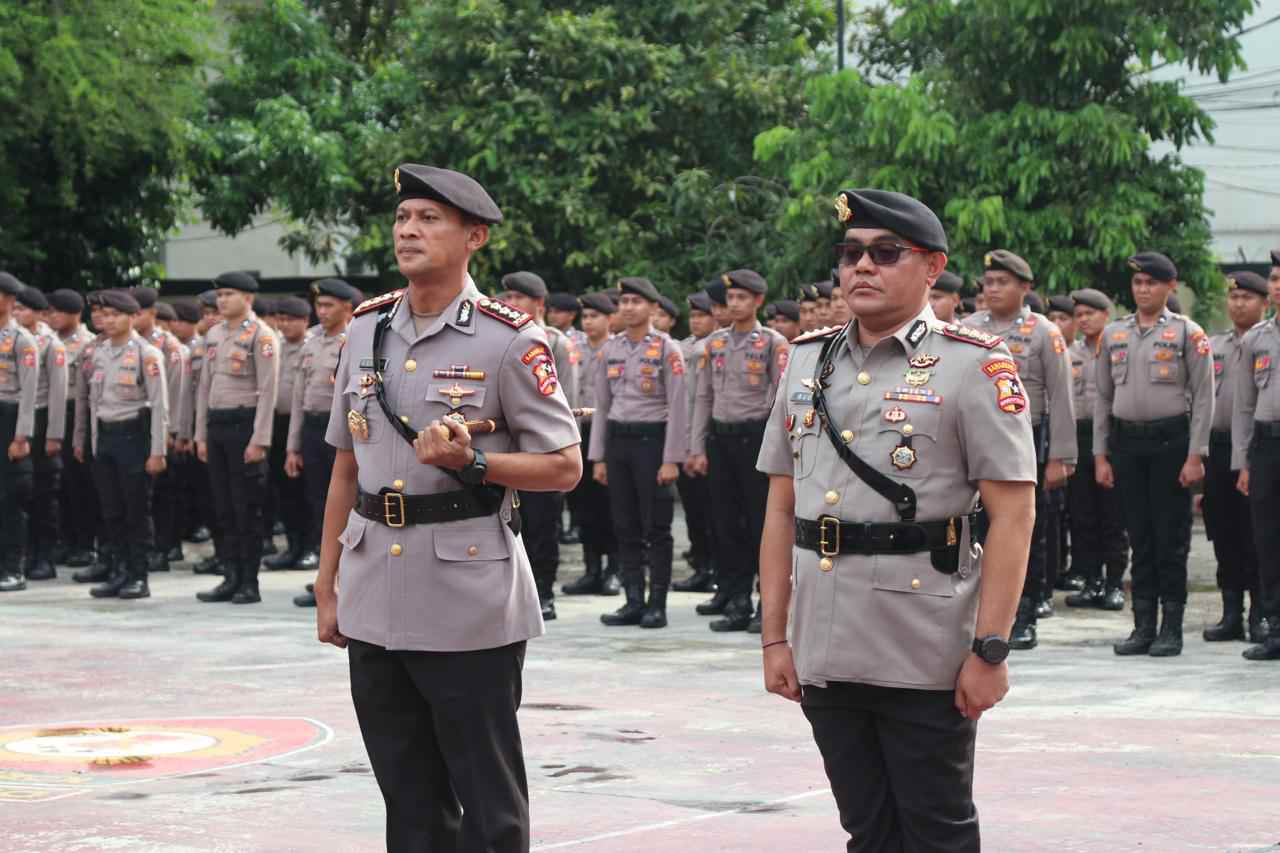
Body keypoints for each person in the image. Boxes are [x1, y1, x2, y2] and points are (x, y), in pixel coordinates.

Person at [758, 189, 1035, 852]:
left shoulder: (975, 363)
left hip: (925, 642)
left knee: (936, 832)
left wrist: (990, 648)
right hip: (826, 638)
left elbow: (1014, 514)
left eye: (886, 253)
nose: (862, 267)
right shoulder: (806, 359)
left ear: (932, 266)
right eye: (851, 253)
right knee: (868, 831)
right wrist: (774, 636)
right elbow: (780, 505)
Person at [315, 163, 580, 852]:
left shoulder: (510, 339)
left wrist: (475, 462)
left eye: (429, 218)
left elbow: (564, 464)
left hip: (468, 596)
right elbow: (346, 464)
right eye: (403, 217)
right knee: (409, 802)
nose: (409, 229)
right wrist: (327, 583)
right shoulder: (366, 332)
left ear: (475, 237)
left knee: (488, 806)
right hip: (374, 587)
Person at [1095, 251, 1213, 658]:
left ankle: (1171, 628)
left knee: (1170, 539)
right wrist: (1100, 455)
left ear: (1170, 287)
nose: (1143, 290)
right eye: (1138, 283)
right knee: (1139, 538)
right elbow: (1102, 398)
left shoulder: (1187, 333)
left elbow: (1204, 398)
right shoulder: (1114, 333)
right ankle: (1142, 625)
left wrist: (1196, 455)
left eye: (1152, 283)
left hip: (1171, 444)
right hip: (1127, 445)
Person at [964, 250, 1076, 649]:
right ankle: (977, 615)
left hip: (1027, 439)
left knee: (1028, 531)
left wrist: (1062, 456)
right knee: (975, 530)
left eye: (1003, 282)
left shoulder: (1044, 331)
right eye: (989, 282)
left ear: (1025, 288)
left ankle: (1024, 614)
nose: (993, 289)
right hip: (976, 443)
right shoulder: (968, 327)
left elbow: (1061, 397)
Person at [685, 270, 789, 632]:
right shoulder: (712, 344)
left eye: (743, 298)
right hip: (721, 439)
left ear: (758, 301)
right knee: (727, 524)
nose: (735, 305)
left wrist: (778, 454)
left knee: (763, 524)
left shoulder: (773, 343)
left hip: (756, 438)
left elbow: (780, 401)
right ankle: (737, 601)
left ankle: (768, 606)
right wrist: (696, 446)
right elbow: (703, 397)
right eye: (731, 299)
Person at [590, 276, 688, 629]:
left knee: (656, 526)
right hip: (618, 441)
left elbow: (679, 408)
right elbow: (602, 405)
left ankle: (657, 603)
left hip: (653, 441)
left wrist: (671, 459)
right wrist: (598, 456)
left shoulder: (667, 349)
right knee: (624, 524)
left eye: (636, 302)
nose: (628, 308)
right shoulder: (609, 350)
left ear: (653, 308)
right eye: (624, 302)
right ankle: (632, 600)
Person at [72, 289, 168, 599]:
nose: (109, 320)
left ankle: (138, 576)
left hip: (134, 436)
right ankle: (118, 572)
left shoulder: (146, 353)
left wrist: (157, 452)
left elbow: (160, 407)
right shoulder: (98, 352)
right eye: (105, 315)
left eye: (116, 315)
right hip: (106, 437)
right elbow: (92, 402)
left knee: (135, 511)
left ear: (132, 317)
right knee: (111, 511)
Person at [194, 271, 280, 605]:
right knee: (223, 507)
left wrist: (260, 439)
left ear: (248, 298)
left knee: (247, 508)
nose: (222, 300)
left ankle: (249, 581)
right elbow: (205, 386)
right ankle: (229, 576)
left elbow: (268, 391)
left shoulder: (262, 335)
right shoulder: (213, 334)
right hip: (216, 424)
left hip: (245, 426)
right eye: (219, 295)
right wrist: (200, 434)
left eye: (229, 294)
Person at [499, 271, 580, 620]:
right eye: (508, 298)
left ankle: (544, 592)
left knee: (544, 525)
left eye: (519, 298)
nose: (511, 304)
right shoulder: (499, 337)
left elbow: (567, 401)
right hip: (509, 449)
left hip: (544, 448)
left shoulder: (557, 342)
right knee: (509, 522)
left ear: (539, 304)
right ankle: (516, 591)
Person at [1201, 271, 1268, 642]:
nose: (1238, 304)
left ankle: (1261, 611)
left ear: (1264, 302)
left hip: (1256, 448)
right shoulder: (1214, 345)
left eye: (1247, 298)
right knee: (1222, 530)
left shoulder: (1265, 342)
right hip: (1217, 446)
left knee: (1254, 532)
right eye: (1234, 297)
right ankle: (1231, 612)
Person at [1063, 288, 1128, 611]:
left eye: (1091, 313)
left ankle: (1115, 583)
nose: (1084, 319)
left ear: (1107, 314)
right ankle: (1091, 581)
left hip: (1113, 437)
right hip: (1078, 435)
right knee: (1082, 515)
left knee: (1112, 516)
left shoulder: (1118, 347)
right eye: (1080, 315)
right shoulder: (1070, 352)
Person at [1232, 250, 1280, 661]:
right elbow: (1244, 407)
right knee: (1268, 538)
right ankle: (1275, 629)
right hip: (1266, 446)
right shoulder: (1256, 338)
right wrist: (1243, 462)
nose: (1279, 285)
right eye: (1276, 279)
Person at [560, 290, 621, 597]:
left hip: (608, 432)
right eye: (586, 316)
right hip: (577, 431)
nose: (589, 321)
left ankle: (614, 570)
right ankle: (591, 569)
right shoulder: (573, 347)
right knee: (583, 507)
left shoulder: (618, 348)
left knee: (611, 507)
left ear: (611, 319)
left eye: (595, 316)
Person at [132, 287, 188, 571]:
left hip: (162, 428)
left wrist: (172, 432)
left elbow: (177, 393)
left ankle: (165, 548)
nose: (132, 318)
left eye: (138, 312)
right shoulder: (126, 345)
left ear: (153, 314)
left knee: (164, 495)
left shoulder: (169, 347)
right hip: (135, 428)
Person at [13, 286, 67, 582]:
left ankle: (43, 556)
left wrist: (54, 435)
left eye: (23, 310)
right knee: (18, 493)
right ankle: (20, 554)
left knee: (43, 494)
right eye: (16, 309)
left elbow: (58, 393)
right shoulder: (10, 338)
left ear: (38, 313)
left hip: (43, 419)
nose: (17, 314)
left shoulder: (51, 344)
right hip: (16, 417)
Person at [261, 295, 313, 570]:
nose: (284, 325)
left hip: (304, 423)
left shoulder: (311, 346)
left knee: (306, 490)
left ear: (305, 321)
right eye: (281, 319)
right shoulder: (275, 347)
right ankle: (292, 546)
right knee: (283, 489)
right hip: (277, 424)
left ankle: (311, 547)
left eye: (291, 320)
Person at [47, 288, 97, 569]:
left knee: (81, 483)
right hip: (54, 413)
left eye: (59, 312)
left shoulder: (89, 344)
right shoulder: (47, 342)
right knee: (59, 483)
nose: (53, 317)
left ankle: (84, 543)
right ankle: (64, 541)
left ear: (76, 314)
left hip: (78, 413)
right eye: (50, 311)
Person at [672, 290, 718, 594]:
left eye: (702, 315)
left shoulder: (715, 347)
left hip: (712, 439)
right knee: (694, 511)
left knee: (716, 512)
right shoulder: (684, 348)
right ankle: (702, 565)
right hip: (686, 436)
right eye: (693, 315)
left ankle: (717, 568)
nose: (696, 321)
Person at [0, 273, 40, 593]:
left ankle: (14, 568)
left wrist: (21, 436)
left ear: (11, 301)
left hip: (9, 416)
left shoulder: (21, 340)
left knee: (11, 498)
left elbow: (29, 392)